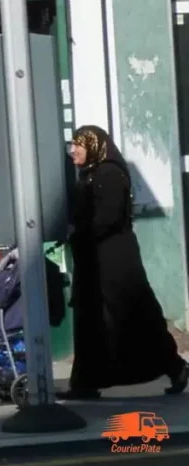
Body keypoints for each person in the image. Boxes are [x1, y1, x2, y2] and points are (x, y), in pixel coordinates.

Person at [59, 125, 188, 399]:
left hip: (115, 258)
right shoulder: (90, 174)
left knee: (133, 316)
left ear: (93, 145)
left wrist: (80, 234)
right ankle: (85, 382)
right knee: (90, 318)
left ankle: (175, 366)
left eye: (77, 146)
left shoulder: (110, 174)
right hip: (93, 257)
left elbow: (110, 216)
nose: (73, 152)